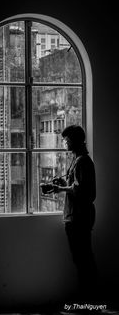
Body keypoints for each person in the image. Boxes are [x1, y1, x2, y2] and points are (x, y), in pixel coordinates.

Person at [52, 125, 98, 303]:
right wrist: (65, 182)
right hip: (78, 216)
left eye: (65, 139)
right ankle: (88, 300)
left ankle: (88, 301)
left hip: (78, 217)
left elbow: (80, 190)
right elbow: (77, 185)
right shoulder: (79, 160)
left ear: (72, 140)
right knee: (83, 258)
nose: (64, 143)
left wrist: (59, 188)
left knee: (82, 260)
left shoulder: (82, 161)